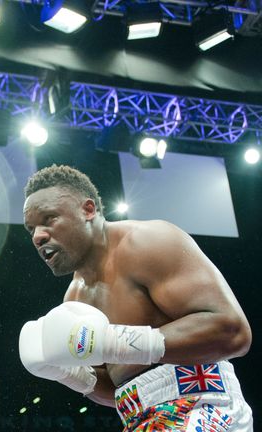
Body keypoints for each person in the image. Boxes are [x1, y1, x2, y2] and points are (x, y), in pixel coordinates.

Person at [18, 164, 253, 430]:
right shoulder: (75, 300)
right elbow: (119, 389)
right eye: (31, 229)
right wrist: (68, 374)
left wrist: (113, 341)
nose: (38, 236)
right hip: (140, 419)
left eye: (49, 219)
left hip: (202, 405)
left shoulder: (148, 242)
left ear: (88, 210)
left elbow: (232, 332)